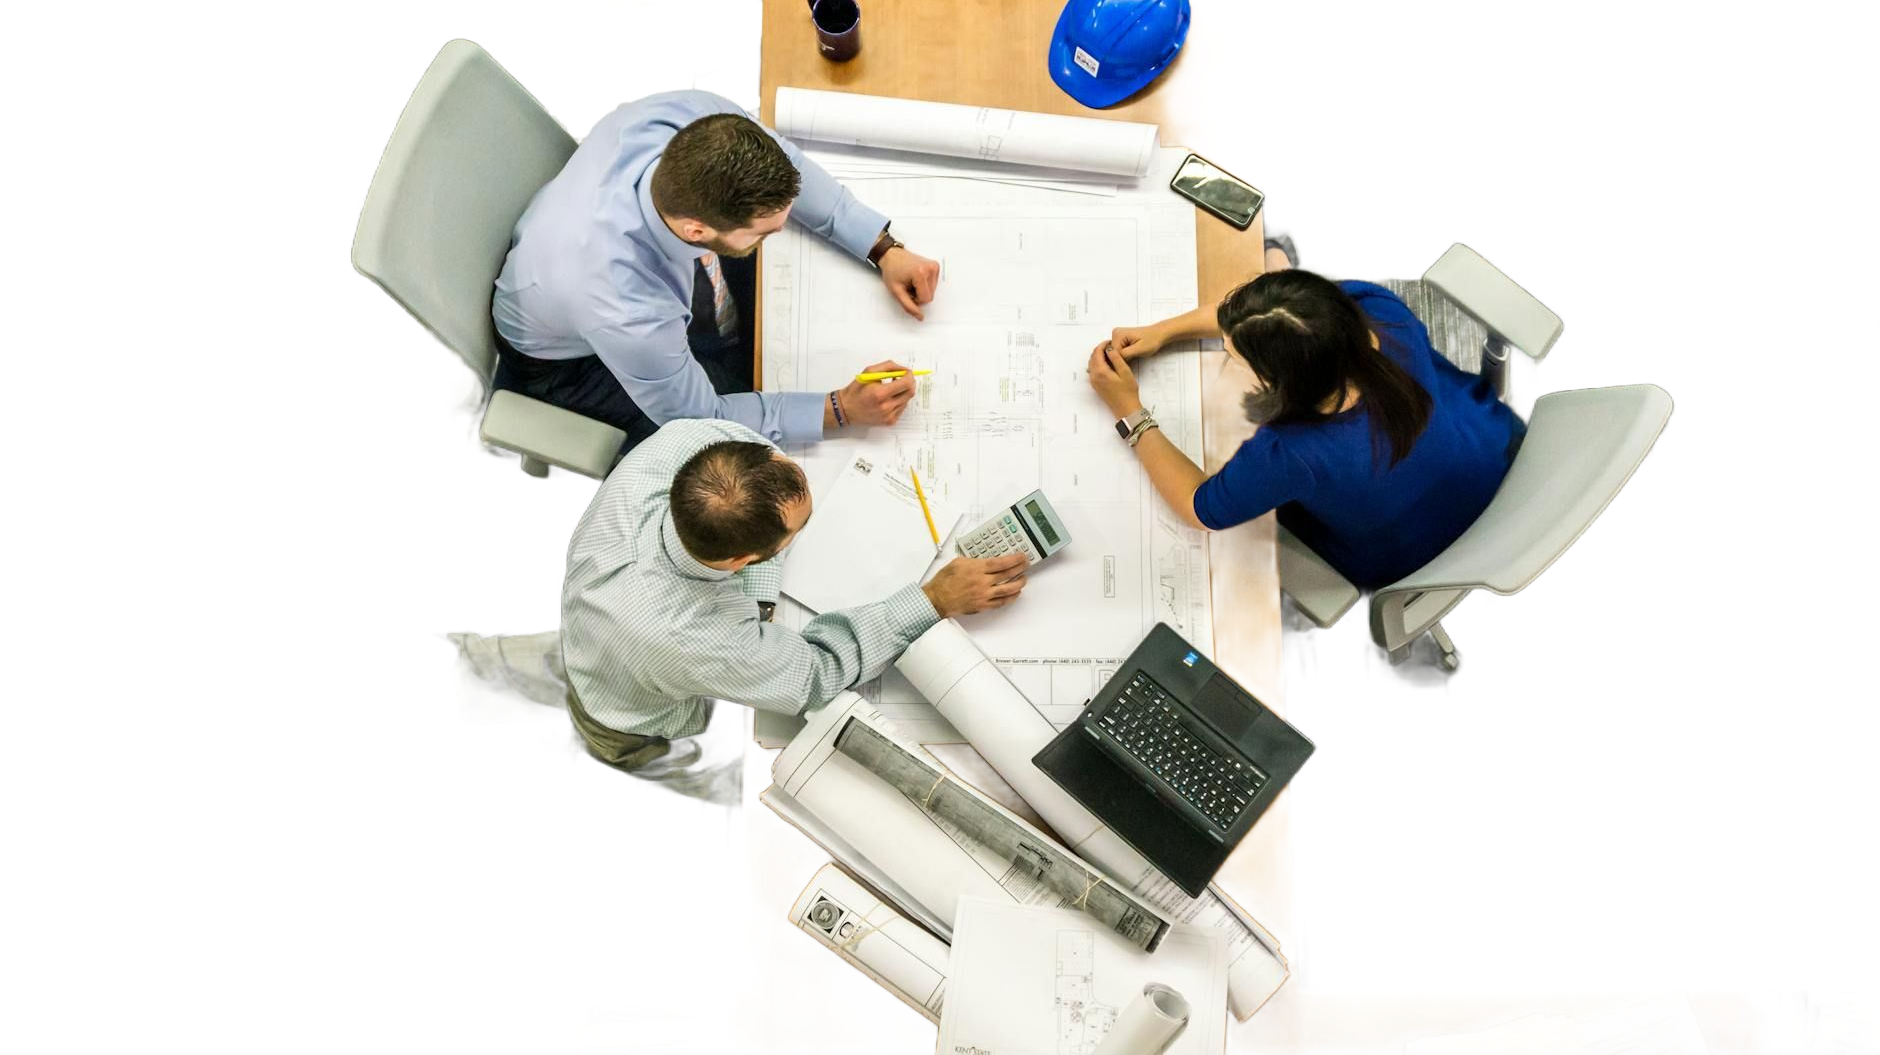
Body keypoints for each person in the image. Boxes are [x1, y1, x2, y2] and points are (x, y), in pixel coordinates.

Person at [445, 418, 1029, 807]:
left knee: (491, 663)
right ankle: (701, 784)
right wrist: (931, 599)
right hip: (630, 722)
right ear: (740, 560)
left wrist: (761, 597)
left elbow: (753, 455)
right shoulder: (695, 637)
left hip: (584, 631)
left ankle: (464, 664)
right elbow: (817, 673)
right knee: (741, 784)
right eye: (799, 531)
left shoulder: (684, 443)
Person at [1084, 232, 1526, 677]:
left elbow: (1199, 507)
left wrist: (1130, 411)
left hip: (1412, 551)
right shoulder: (1378, 311)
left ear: (1282, 385)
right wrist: (1161, 333)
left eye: (1235, 358)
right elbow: (1284, 318)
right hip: (1493, 451)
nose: (1228, 357)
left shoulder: (1292, 453)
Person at [490, 88, 944, 453]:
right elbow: (701, 418)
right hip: (568, 362)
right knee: (743, 445)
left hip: (575, 262)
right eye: (765, 231)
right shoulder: (626, 307)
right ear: (697, 229)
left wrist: (881, 247)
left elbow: (789, 165)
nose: (781, 230)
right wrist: (839, 409)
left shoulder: (691, 116)